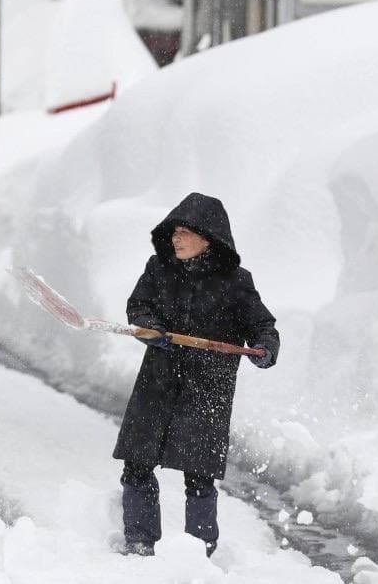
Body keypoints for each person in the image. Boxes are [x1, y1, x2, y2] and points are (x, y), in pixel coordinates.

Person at [112, 192, 280, 558]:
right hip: (158, 381)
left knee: (199, 476)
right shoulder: (159, 269)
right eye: (174, 231)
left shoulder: (236, 282)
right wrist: (150, 326)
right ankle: (140, 542)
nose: (176, 238)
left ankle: (198, 552)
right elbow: (139, 305)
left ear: (209, 237)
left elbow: (262, 325)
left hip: (208, 389)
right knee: (137, 463)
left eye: (185, 231)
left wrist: (265, 349)